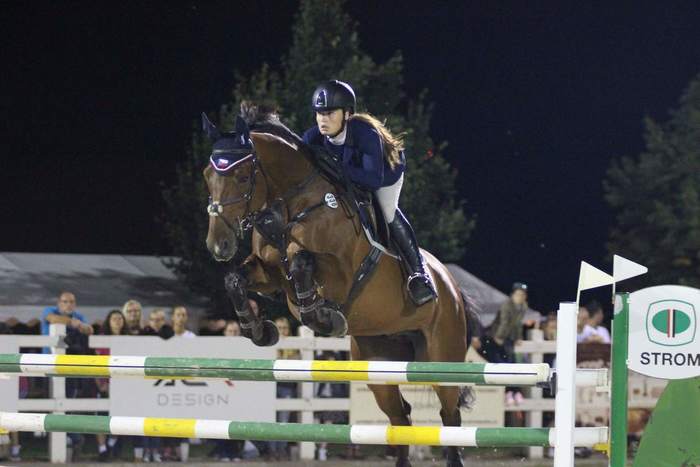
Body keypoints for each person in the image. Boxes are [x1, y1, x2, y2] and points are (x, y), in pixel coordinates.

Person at [302, 80, 436, 308]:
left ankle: (418, 273)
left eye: (330, 113)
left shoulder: (365, 134)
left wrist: (334, 166)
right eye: (319, 113)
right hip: (349, 178)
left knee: (387, 211)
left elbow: (372, 180)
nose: (323, 120)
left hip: (385, 175)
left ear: (347, 114)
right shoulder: (311, 138)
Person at [479, 282, 530, 405]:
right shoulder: (506, 305)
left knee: (512, 364)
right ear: (512, 295)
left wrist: (518, 337)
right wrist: (499, 337)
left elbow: (518, 324)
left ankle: (514, 392)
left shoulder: (523, 307)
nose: (520, 297)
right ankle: (510, 392)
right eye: (518, 294)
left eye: (522, 295)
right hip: (493, 338)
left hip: (507, 339)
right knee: (504, 366)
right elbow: (504, 322)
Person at [94, 309, 127, 462]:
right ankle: (102, 449)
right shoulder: (102, 339)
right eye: (114, 318)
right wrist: (101, 384)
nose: (118, 321)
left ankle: (111, 444)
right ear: (109, 321)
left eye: (120, 318)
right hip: (105, 383)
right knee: (101, 417)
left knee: (120, 417)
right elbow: (96, 364)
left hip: (123, 385)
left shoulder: (129, 340)